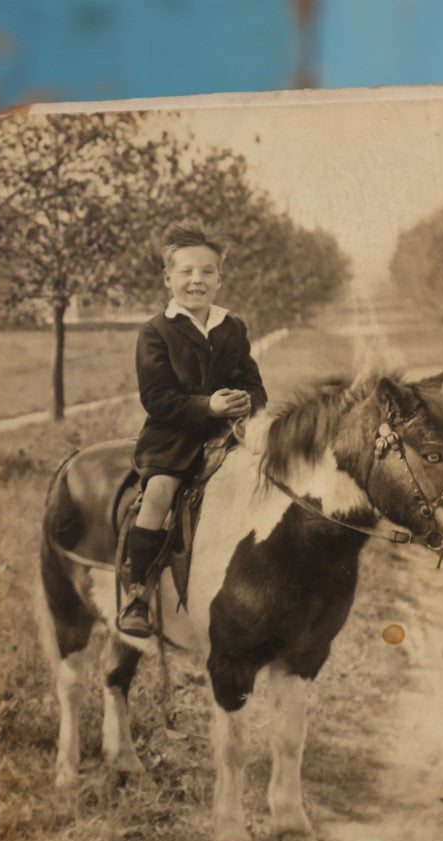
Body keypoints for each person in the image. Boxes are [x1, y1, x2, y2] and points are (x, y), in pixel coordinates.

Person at [118, 220, 268, 636]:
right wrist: (208, 406)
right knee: (159, 494)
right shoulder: (156, 331)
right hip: (173, 436)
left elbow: (255, 385)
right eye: (186, 271)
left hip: (228, 435)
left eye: (207, 271)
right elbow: (156, 398)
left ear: (219, 279)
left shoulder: (232, 327)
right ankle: (138, 594)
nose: (196, 280)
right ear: (168, 278)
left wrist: (245, 402)